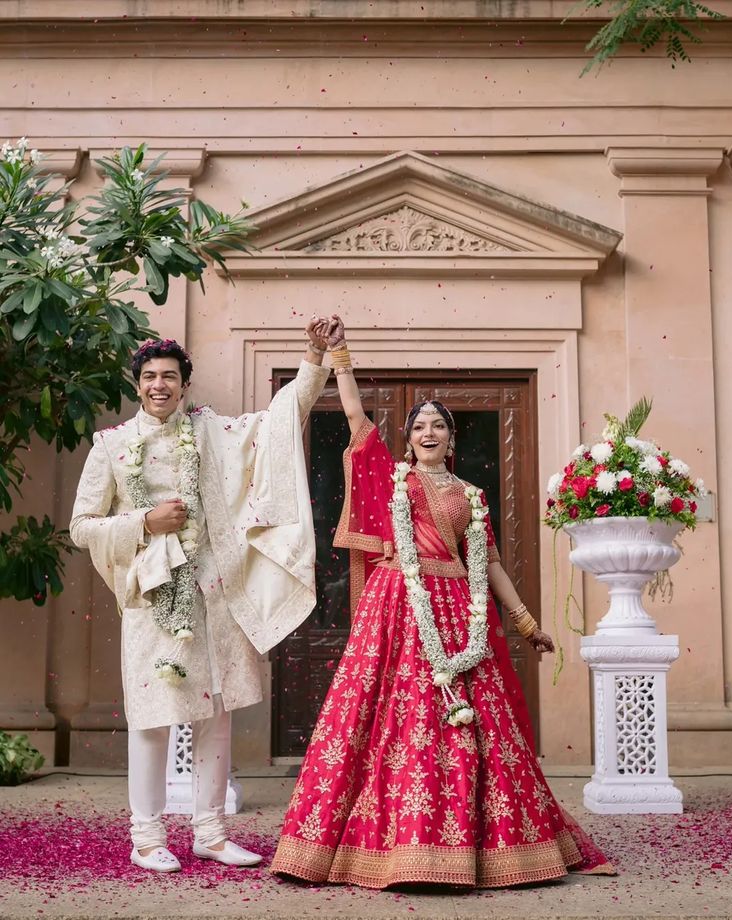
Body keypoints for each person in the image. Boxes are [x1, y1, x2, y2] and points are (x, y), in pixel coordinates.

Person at [271, 316, 615, 889]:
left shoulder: (471, 496)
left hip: (459, 609)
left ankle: (484, 848)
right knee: (390, 719)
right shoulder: (393, 480)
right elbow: (356, 420)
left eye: (439, 426)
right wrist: (339, 354)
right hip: (399, 607)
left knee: (474, 725)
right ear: (407, 438)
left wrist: (526, 621)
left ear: (452, 440)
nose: (429, 432)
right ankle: (391, 849)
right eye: (420, 426)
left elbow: (493, 565)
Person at [70, 321, 332, 872]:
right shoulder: (112, 447)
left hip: (216, 596)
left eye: (169, 376)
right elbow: (83, 526)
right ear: (136, 384)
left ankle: (210, 833)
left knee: (216, 715)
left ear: (184, 385)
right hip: (154, 596)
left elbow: (281, 422)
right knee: (153, 717)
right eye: (149, 376)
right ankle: (147, 838)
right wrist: (146, 520)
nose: (158, 385)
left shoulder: (214, 432)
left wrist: (313, 356)